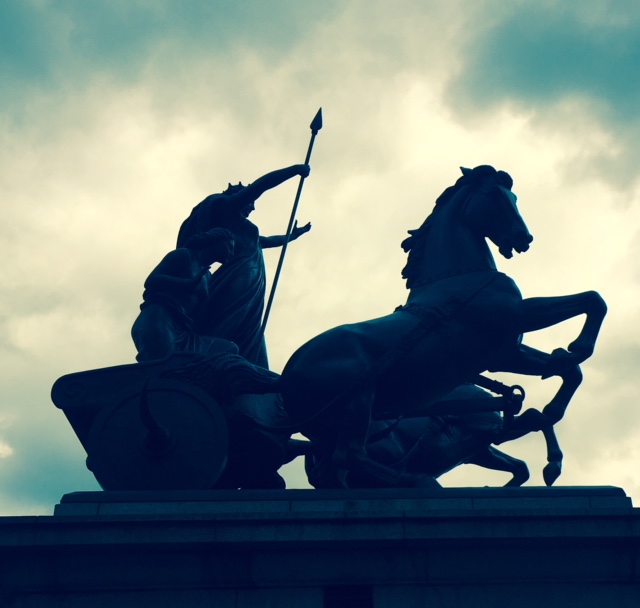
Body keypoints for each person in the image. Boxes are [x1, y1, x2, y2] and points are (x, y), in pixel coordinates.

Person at [176, 164, 311, 369]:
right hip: (238, 278)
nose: (253, 208)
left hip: (251, 282)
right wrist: (295, 170)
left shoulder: (238, 225)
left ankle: (247, 367)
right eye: (251, 202)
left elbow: (267, 241)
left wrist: (292, 236)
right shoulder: (225, 207)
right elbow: (261, 185)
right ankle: (210, 364)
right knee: (229, 320)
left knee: (248, 328)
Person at [131, 228, 236, 362]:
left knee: (228, 349)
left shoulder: (207, 276)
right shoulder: (184, 255)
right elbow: (151, 281)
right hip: (159, 321)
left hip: (184, 330)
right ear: (217, 242)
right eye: (229, 247)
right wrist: (186, 284)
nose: (232, 253)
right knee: (166, 365)